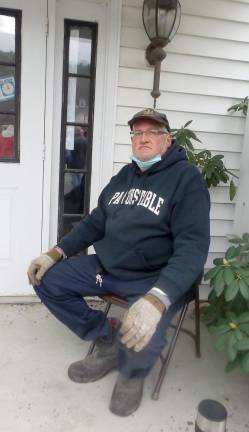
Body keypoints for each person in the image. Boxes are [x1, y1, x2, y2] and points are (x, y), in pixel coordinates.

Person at [27, 108, 210, 417]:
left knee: (145, 324)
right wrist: (55, 253)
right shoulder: (123, 177)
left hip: (156, 277)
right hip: (110, 267)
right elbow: (94, 223)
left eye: (152, 132)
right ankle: (108, 337)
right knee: (47, 280)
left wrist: (157, 297)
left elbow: (193, 247)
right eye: (138, 133)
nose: (143, 138)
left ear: (168, 139)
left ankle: (132, 373)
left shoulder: (186, 179)